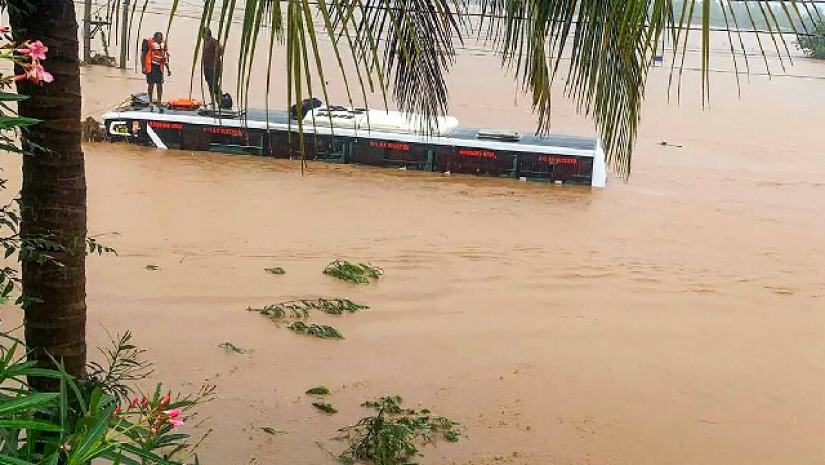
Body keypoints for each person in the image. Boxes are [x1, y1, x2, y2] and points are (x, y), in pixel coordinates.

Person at [141, 32, 171, 109]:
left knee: (160, 84)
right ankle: (150, 101)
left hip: (159, 66)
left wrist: (168, 69)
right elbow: (143, 55)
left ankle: (159, 102)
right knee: (151, 84)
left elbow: (164, 58)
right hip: (151, 65)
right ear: (155, 38)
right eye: (159, 39)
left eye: (161, 39)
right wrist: (143, 67)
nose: (160, 41)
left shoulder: (163, 45)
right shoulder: (148, 43)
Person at [201, 28, 223, 106]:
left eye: (202, 34)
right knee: (210, 84)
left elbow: (220, 50)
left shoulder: (213, 41)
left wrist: (215, 59)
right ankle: (213, 101)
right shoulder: (205, 42)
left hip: (213, 67)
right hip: (207, 67)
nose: (201, 36)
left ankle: (220, 101)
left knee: (214, 85)